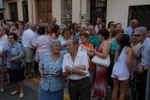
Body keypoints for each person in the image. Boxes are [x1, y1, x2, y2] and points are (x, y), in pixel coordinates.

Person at [111, 34, 134, 100]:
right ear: (128, 40)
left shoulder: (118, 48)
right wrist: (131, 72)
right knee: (123, 92)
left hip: (115, 70)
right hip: (123, 71)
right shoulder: (129, 49)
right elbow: (128, 61)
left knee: (115, 90)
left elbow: (114, 60)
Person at [4, 33, 25, 97]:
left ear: (15, 39)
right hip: (11, 65)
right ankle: (17, 90)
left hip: (18, 64)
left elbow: (22, 55)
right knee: (14, 78)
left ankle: (21, 91)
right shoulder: (8, 45)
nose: (9, 39)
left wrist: (13, 59)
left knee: (20, 79)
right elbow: (6, 52)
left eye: (11, 38)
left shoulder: (19, 45)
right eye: (9, 38)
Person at [133, 27, 150, 100]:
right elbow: (138, 56)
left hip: (147, 72)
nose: (133, 37)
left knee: (145, 92)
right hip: (142, 70)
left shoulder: (149, 44)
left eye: (136, 35)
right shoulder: (143, 43)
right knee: (141, 92)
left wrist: (143, 68)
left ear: (142, 36)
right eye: (133, 35)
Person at [92, 29, 110, 100]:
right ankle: (99, 95)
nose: (98, 36)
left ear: (103, 36)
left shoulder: (105, 43)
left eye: (99, 35)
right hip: (99, 65)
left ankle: (102, 96)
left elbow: (104, 55)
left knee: (101, 81)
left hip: (102, 65)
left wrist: (95, 52)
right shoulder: (101, 42)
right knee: (99, 81)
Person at [0, 26, 8, 92]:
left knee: (2, 72)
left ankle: (2, 86)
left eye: (1, 30)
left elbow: (7, 46)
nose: (0, 32)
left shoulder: (6, 37)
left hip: (3, 57)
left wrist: (4, 52)